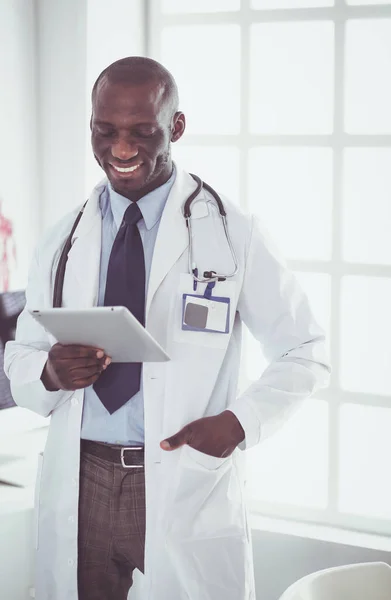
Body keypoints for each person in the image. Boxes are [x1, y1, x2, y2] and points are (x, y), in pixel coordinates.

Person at [4, 57, 330, 600]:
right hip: (80, 476)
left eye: (143, 132)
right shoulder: (64, 238)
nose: (122, 149)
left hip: (181, 477)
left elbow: (306, 350)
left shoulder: (233, 233)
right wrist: (50, 371)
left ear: (176, 127)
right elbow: (23, 352)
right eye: (105, 132)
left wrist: (238, 422)